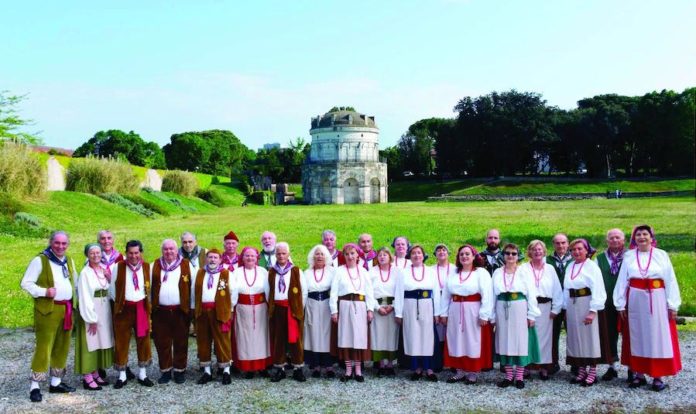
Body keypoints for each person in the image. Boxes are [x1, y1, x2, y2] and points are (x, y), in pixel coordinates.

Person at [614, 225, 682, 392]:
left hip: (657, 298)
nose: (642, 237)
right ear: (634, 239)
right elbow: (622, 280)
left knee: (657, 336)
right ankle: (639, 374)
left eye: (645, 234)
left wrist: (672, 304)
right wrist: (620, 303)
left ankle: (658, 376)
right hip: (635, 299)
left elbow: (670, 279)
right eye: (638, 234)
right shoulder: (629, 256)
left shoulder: (661, 255)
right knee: (638, 335)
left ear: (651, 238)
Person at [21, 231, 78, 402]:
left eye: (64, 243)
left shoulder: (69, 260)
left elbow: (75, 282)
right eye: (57, 243)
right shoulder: (40, 260)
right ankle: (35, 386)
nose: (60, 246)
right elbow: (26, 283)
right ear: (51, 242)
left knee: (62, 345)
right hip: (48, 310)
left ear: (68, 244)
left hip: (67, 308)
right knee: (44, 347)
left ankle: (56, 382)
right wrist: (44, 291)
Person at [439, 244, 493, 384]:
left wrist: (484, 314)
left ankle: (472, 371)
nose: (464, 256)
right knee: (456, 340)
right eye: (461, 254)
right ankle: (459, 370)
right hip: (455, 310)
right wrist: (443, 313)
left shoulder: (481, 273)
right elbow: (445, 295)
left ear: (474, 256)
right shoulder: (454, 273)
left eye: (467, 254)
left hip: (473, 310)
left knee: (472, 340)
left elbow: (487, 294)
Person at [563, 239, 611, 386]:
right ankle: (582, 369)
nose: (576, 252)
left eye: (580, 249)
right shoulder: (570, 266)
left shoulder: (592, 267)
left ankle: (592, 372)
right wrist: (565, 307)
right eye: (573, 250)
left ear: (586, 250)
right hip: (572, 304)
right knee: (576, 338)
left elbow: (598, 289)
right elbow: (566, 288)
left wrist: (593, 310)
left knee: (590, 338)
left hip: (587, 302)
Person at [492, 243, 540, 390]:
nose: (510, 256)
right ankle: (508, 375)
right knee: (504, 340)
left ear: (518, 255)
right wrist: (492, 315)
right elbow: (492, 294)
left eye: (514, 253)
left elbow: (531, 293)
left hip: (519, 306)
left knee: (520, 341)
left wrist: (531, 314)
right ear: (503, 255)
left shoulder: (524, 271)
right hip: (501, 306)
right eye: (507, 253)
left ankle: (519, 376)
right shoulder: (497, 272)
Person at [109, 240, 154, 388]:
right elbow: (112, 289)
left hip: (140, 307)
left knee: (143, 340)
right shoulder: (118, 267)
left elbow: (150, 288)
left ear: (141, 253)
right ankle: (122, 375)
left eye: (136, 253)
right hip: (124, 308)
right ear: (126, 253)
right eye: (130, 253)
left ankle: (142, 374)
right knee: (122, 341)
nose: (133, 256)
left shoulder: (147, 267)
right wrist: (120, 303)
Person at [330, 243, 376, 382]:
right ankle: (348, 370)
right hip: (344, 305)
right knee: (346, 337)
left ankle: (358, 370)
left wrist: (370, 309)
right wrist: (334, 310)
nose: (350, 256)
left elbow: (369, 291)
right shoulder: (339, 271)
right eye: (347, 254)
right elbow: (334, 292)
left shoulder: (363, 271)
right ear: (344, 256)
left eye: (352, 253)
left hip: (360, 306)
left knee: (358, 337)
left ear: (357, 255)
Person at [394, 244, 440, 381]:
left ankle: (429, 368)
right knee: (413, 337)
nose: (416, 255)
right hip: (409, 306)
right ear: (409, 256)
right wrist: (398, 313)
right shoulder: (403, 272)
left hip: (427, 306)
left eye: (419, 253)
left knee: (427, 337)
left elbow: (436, 293)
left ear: (423, 255)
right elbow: (398, 293)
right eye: (413, 253)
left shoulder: (431, 272)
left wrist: (437, 313)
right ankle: (417, 368)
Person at [151, 239, 193, 384]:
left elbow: (193, 287)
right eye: (166, 249)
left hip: (180, 310)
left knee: (181, 341)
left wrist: (191, 308)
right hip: (160, 311)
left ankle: (179, 370)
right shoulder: (154, 265)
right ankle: (166, 371)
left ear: (177, 250)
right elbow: (148, 288)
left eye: (171, 249)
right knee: (162, 342)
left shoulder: (186, 265)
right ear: (162, 250)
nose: (168, 252)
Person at [75, 243, 114, 391]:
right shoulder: (85, 273)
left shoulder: (102, 269)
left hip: (104, 308)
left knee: (99, 341)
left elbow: (110, 289)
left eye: (98, 252)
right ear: (87, 255)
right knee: (90, 341)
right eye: (92, 253)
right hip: (92, 309)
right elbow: (84, 296)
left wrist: (109, 278)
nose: (96, 255)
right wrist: (91, 319)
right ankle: (87, 376)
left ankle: (95, 372)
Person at [522, 240, 562, 380]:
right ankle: (526, 366)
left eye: (540, 249)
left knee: (544, 339)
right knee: (528, 337)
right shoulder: (524, 268)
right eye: (534, 249)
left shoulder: (550, 268)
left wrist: (556, 309)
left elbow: (557, 289)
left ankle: (543, 367)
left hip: (545, 307)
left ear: (544, 252)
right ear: (529, 252)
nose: (537, 252)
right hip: (527, 307)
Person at [268, 242, 307, 382]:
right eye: (278, 253)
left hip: (292, 310)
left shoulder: (296, 271)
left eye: (284, 253)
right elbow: (268, 291)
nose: (281, 256)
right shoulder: (272, 272)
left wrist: (299, 308)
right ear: (275, 255)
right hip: (277, 309)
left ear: (288, 254)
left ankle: (298, 368)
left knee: (295, 339)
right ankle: (280, 368)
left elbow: (304, 291)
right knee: (279, 339)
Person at [192, 248, 233, 385]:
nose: (212, 260)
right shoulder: (200, 273)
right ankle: (207, 372)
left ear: (220, 259)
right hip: (202, 312)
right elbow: (194, 292)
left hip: (220, 312)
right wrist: (194, 310)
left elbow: (233, 292)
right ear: (206, 259)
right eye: (210, 257)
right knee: (203, 341)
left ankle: (226, 370)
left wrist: (229, 309)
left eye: (215, 257)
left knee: (222, 341)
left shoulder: (226, 273)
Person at [232, 247, 272, 379]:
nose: (250, 258)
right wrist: (232, 308)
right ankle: (248, 368)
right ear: (242, 258)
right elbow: (233, 291)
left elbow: (268, 291)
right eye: (247, 256)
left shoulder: (263, 272)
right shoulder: (236, 272)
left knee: (262, 336)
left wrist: (270, 307)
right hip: (242, 309)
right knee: (245, 337)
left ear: (257, 258)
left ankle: (262, 366)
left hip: (261, 309)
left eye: (252, 256)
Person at [595, 228, 626, 381]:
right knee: (608, 334)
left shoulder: (630, 257)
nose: (614, 240)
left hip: (626, 301)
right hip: (607, 302)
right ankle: (611, 366)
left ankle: (633, 368)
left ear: (623, 240)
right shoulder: (599, 259)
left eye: (617, 237)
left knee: (629, 334)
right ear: (607, 241)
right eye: (611, 238)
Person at [303, 244, 337, 378]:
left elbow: (335, 290)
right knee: (313, 334)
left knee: (326, 335)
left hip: (326, 305)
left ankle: (329, 366)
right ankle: (316, 366)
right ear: (313, 256)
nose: (319, 256)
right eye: (317, 254)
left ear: (326, 256)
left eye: (322, 254)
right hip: (311, 304)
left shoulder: (332, 271)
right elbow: (304, 292)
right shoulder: (306, 273)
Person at [369, 247, 399, 376]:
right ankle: (381, 364)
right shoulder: (372, 272)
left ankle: (390, 364)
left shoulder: (397, 272)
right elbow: (368, 291)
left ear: (390, 257)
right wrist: (377, 307)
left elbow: (400, 290)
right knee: (378, 336)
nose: (382, 257)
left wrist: (393, 306)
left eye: (385, 255)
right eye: (380, 255)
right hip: (378, 307)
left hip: (392, 308)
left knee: (391, 336)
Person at [547, 232, 572, 373]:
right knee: (552, 333)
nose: (560, 245)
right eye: (557, 243)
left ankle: (576, 364)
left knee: (573, 333)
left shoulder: (574, 260)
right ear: (553, 245)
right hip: (554, 302)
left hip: (571, 301)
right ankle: (552, 362)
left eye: (563, 242)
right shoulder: (547, 261)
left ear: (568, 244)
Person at [431, 243, 451, 372]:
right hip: (436, 300)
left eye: (444, 250)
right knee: (438, 333)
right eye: (438, 250)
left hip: (451, 301)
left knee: (451, 332)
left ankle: (452, 362)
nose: (441, 252)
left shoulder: (455, 269)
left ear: (448, 253)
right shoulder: (431, 270)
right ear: (435, 254)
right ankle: (438, 361)